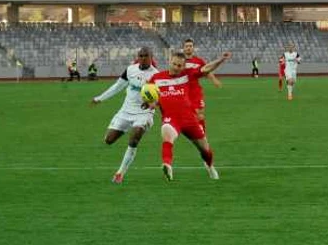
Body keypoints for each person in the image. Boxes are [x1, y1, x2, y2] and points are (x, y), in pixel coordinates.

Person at [148, 50, 232, 182]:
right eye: (174, 64)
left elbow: (206, 68)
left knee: (205, 150)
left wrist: (220, 60)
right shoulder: (156, 78)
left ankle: (210, 166)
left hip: (190, 119)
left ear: (184, 66)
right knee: (166, 133)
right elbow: (149, 96)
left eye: (180, 66)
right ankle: (167, 165)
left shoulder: (188, 75)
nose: (176, 68)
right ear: (169, 61)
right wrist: (151, 103)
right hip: (171, 119)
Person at [91, 47, 159, 183]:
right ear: (138, 57)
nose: (143, 58)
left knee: (134, 139)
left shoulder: (157, 75)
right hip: (126, 111)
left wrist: (153, 104)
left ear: (152, 57)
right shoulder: (130, 70)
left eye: (146, 56)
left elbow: (162, 96)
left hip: (144, 113)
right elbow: (117, 87)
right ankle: (128, 128)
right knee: (108, 140)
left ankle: (120, 173)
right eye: (141, 55)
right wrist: (99, 98)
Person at [182, 38, 221, 132]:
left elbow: (207, 70)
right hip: (183, 92)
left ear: (193, 48)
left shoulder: (199, 61)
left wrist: (214, 80)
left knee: (200, 114)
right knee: (188, 115)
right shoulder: (180, 61)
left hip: (195, 92)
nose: (188, 48)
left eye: (190, 46)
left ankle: (202, 134)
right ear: (183, 48)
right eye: (186, 46)